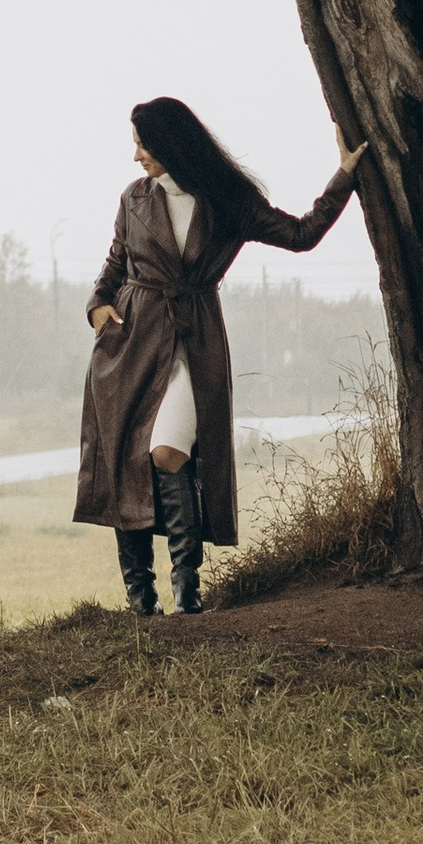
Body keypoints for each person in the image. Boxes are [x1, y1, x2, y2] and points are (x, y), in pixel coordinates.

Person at [75, 97, 366, 616]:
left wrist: (344, 175)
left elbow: (301, 234)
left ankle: (188, 592)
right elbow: (115, 263)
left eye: (143, 144)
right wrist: (98, 306)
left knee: (167, 454)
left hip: (193, 339)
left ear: (171, 144)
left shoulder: (229, 200)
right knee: (125, 461)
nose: (136, 155)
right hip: (129, 345)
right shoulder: (134, 198)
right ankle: (142, 602)